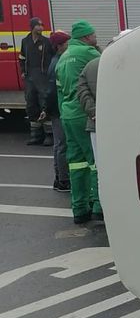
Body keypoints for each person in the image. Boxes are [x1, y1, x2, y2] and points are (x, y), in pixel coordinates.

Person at [56, 20, 102, 224]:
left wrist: (63, 113)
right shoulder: (88, 53)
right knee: (96, 161)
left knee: (76, 163)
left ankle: (79, 209)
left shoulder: (63, 57)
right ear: (85, 37)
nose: (95, 38)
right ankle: (98, 206)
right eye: (93, 35)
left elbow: (60, 91)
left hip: (67, 115)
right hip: (84, 114)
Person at [41, 31, 71, 192]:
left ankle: (59, 177)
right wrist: (48, 109)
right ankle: (63, 180)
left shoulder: (56, 60)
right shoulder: (58, 63)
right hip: (58, 110)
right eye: (67, 43)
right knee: (62, 145)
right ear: (59, 46)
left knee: (59, 145)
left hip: (55, 109)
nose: (69, 45)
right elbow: (52, 90)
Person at [19, 17, 55, 145]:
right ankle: (36, 135)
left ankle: (49, 135)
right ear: (32, 27)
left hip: (43, 77)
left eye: (42, 25)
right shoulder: (25, 41)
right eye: (38, 25)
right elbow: (22, 57)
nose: (41, 27)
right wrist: (23, 71)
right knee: (31, 104)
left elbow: (53, 57)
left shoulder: (46, 42)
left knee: (44, 102)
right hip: (30, 77)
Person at [77, 53, 100, 162]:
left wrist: (93, 112)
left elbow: (82, 91)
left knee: (100, 163)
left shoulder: (90, 66)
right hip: (123, 125)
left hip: (95, 123)